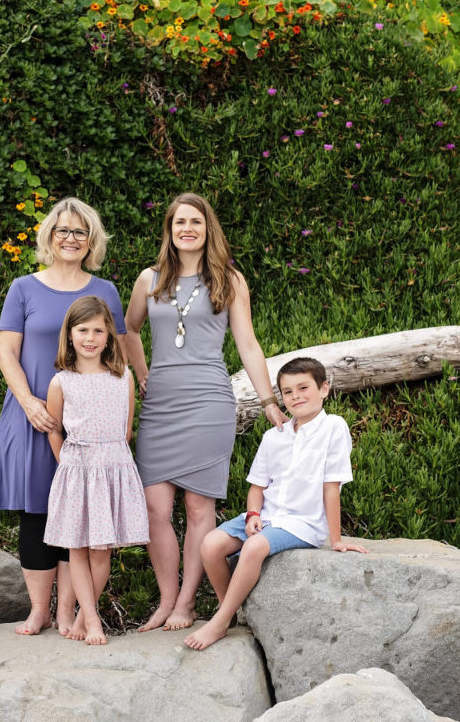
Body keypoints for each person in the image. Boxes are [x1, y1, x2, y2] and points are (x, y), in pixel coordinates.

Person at [125, 192, 288, 632]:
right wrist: (142, 374)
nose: (187, 229)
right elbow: (129, 329)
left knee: (199, 509)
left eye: (195, 221)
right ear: (170, 230)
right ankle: (164, 600)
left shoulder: (229, 280)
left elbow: (248, 345)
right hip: (160, 406)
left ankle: (185, 604)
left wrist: (269, 400)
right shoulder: (149, 279)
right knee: (154, 508)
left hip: (208, 402)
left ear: (207, 228)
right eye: (180, 222)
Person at [0, 197, 127, 636]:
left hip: (87, 424)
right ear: (49, 236)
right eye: (63, 231)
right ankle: (39, 610)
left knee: (82, 516)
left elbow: (118, 355)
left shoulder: (104, 291)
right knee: (37, 513)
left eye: (80, 232)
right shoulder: (23, 287)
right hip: (35, 417)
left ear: (92, 240)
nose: (70, 239)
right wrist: (30, 402)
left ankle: (69, 611)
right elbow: (7, 353)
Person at [184, 357, 368, 650]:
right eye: (288, 392)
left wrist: (335, 539)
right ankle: (228, 609)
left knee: (255, 547)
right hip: (268, 515)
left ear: (324, 389)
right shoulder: (274, 436)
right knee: (210, 544)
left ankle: (219, 622)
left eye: (303, 388)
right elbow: (257, 487)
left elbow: (331, 488)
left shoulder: (333, 427)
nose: (296, 396)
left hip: (302, 522)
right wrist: (253, 514)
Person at [44, 297, 149, 645]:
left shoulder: (123, 378)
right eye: (83, 330)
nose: (90, 337)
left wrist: (110, 463)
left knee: (101, 550)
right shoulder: (62, 382)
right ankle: (92, 622)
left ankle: (82, 616)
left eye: (98, 330)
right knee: (77, 547)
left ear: (108, 337)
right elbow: (54, 429)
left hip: (113, 467)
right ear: (70, 335)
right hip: (77, 469)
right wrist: (67, 465)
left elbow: (126, 430)